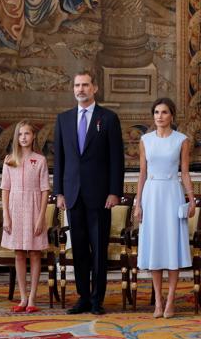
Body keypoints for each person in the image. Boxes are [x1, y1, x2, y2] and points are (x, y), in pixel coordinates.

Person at [53, 70, 124, 315]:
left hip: (100, 196)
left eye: (85, 85)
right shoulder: (63, 119)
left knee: (98, 250)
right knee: (80, 248)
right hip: (72, 195)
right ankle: (83, 297)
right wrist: (59, 193)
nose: (80, 89)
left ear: (94, 88)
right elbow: (59, 160)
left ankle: (97, 300)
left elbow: (117, 159)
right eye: (76, 85)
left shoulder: (109, 118)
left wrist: (115, 191)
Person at [134, 97, 196, 318]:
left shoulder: (182, 140)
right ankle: (158, 302)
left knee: (171, 246)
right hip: (151, 194)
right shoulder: (145, 140)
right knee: (155, 247)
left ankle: (170, 301)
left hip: (172, 193)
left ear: (172, 116)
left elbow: (185, 172)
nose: (159, 116)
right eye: (157, 112)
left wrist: (191, 198)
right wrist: (138, 203)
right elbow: (142, 173)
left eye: (164, 112)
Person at [1, 120, 50, 313]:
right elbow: (5, 189)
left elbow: (45, 190)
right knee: (19, 253)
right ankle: (22, 298)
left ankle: (32, 299)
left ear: (33, 136)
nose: (23, 137)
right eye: (20, 134)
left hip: (34, 209)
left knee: (35, 254)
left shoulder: (40, 160)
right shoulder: (9, 159)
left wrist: (41, 217)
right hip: (14, 209)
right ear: (16, 137)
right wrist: (6, 215)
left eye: (27, 134)